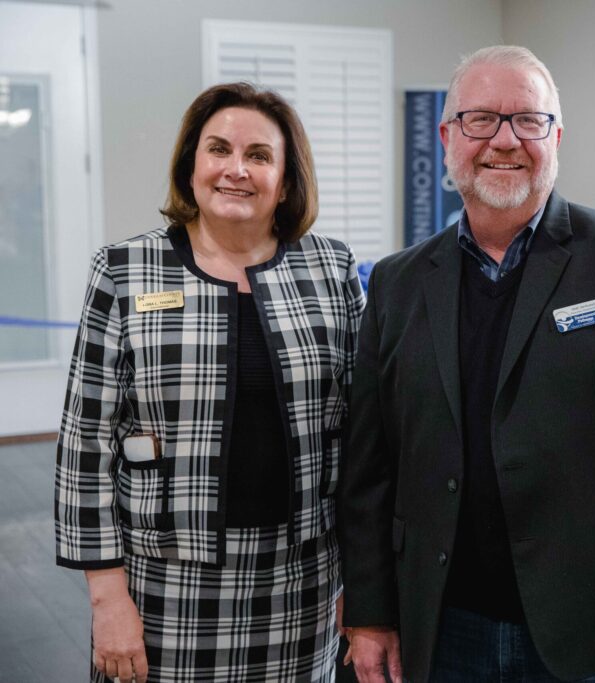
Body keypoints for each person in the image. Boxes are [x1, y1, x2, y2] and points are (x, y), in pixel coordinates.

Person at [339, 45, 595, 683]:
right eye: (481, 119)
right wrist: (369, 613)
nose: (504, 140)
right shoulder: (397, 283)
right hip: (441, 622)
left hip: (589, 627)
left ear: (557, 136)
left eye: (528, 121)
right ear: (446, 136)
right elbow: (369, 466)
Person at [54, 82, 364, 682]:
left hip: (302, 583)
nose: (236, 170)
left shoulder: (332, 268)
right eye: (218, 149)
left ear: (287, 178)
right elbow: (84, 443)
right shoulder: (125, 270)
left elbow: (364, 433)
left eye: (259, 155)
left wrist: (367, 583)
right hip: (165, 583)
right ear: (191, 164)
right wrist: (107, 600)